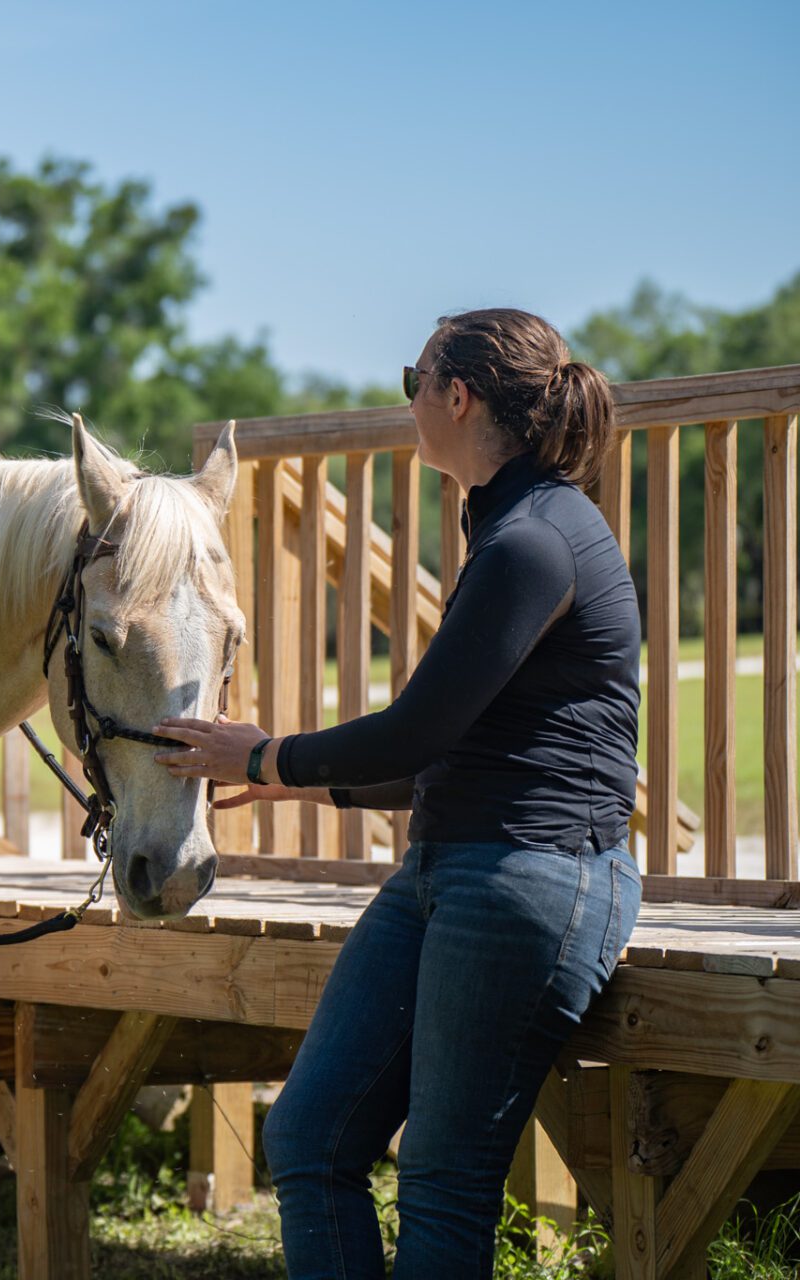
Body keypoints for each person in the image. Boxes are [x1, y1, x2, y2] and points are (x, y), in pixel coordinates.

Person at [153, 308, 643, 1276]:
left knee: (444, 1177)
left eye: (414, 375)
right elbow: (446, 749)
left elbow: (420, 728)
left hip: (531, 880)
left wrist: (269, 757)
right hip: (447, 868)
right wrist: (288, 782)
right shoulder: (508, 524)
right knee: (308, 1135)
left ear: (455, 395)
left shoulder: (535, 540)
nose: (409, 393)